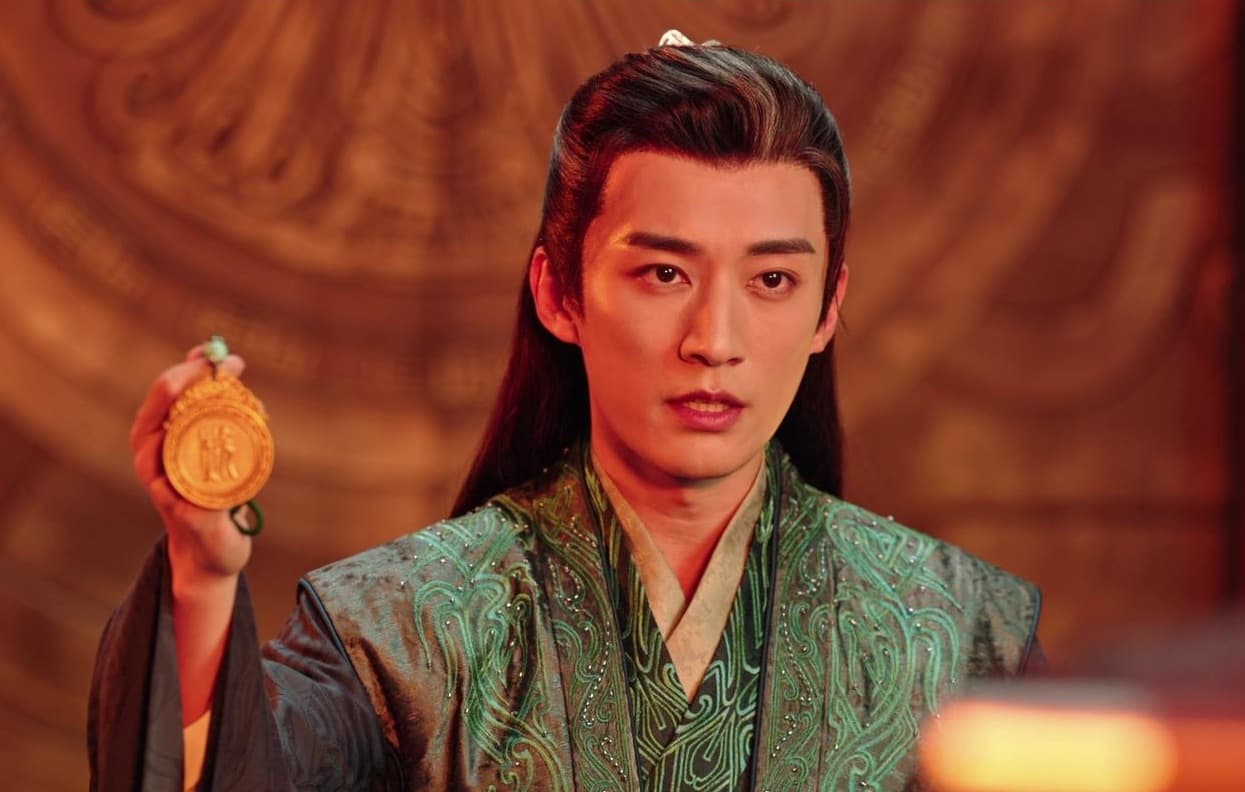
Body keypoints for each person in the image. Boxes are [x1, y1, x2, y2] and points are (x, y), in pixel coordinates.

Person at [88, 33, 1043, 791]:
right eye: (663, 273)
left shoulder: (960, 635)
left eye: (772, 280)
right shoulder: (409, 630)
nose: (715, 339)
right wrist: (202, 576)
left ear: (828, 308)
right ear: (559, 293)